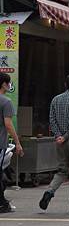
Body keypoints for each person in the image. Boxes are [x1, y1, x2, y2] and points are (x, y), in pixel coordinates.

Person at [39, 74, 69, 213]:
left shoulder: (56, 99)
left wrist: (59, 136)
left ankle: (50, 191)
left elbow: (52, 120)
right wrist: (66, 136)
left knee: (62, 171)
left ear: (65, 85)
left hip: (59, 141)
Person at [0, 74, 23, 214]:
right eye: (8, 83)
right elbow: (8, 124)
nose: (10, 85)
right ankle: (2, 202)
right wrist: (17, 143)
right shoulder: (6, 102)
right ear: (3, 84)